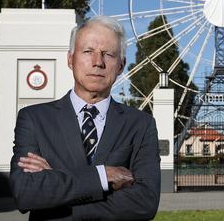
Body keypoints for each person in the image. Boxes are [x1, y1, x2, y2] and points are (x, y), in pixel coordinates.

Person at [10, 15, 160, 220]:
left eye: (108, 54)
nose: (98, 62)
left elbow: (145, 203)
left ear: (121, 65)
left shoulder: (141, 125)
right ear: (70, 59)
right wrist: (103, 177)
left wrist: (56, 190)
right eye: (88, 51)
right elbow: (26, 193)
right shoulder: (34, 119)